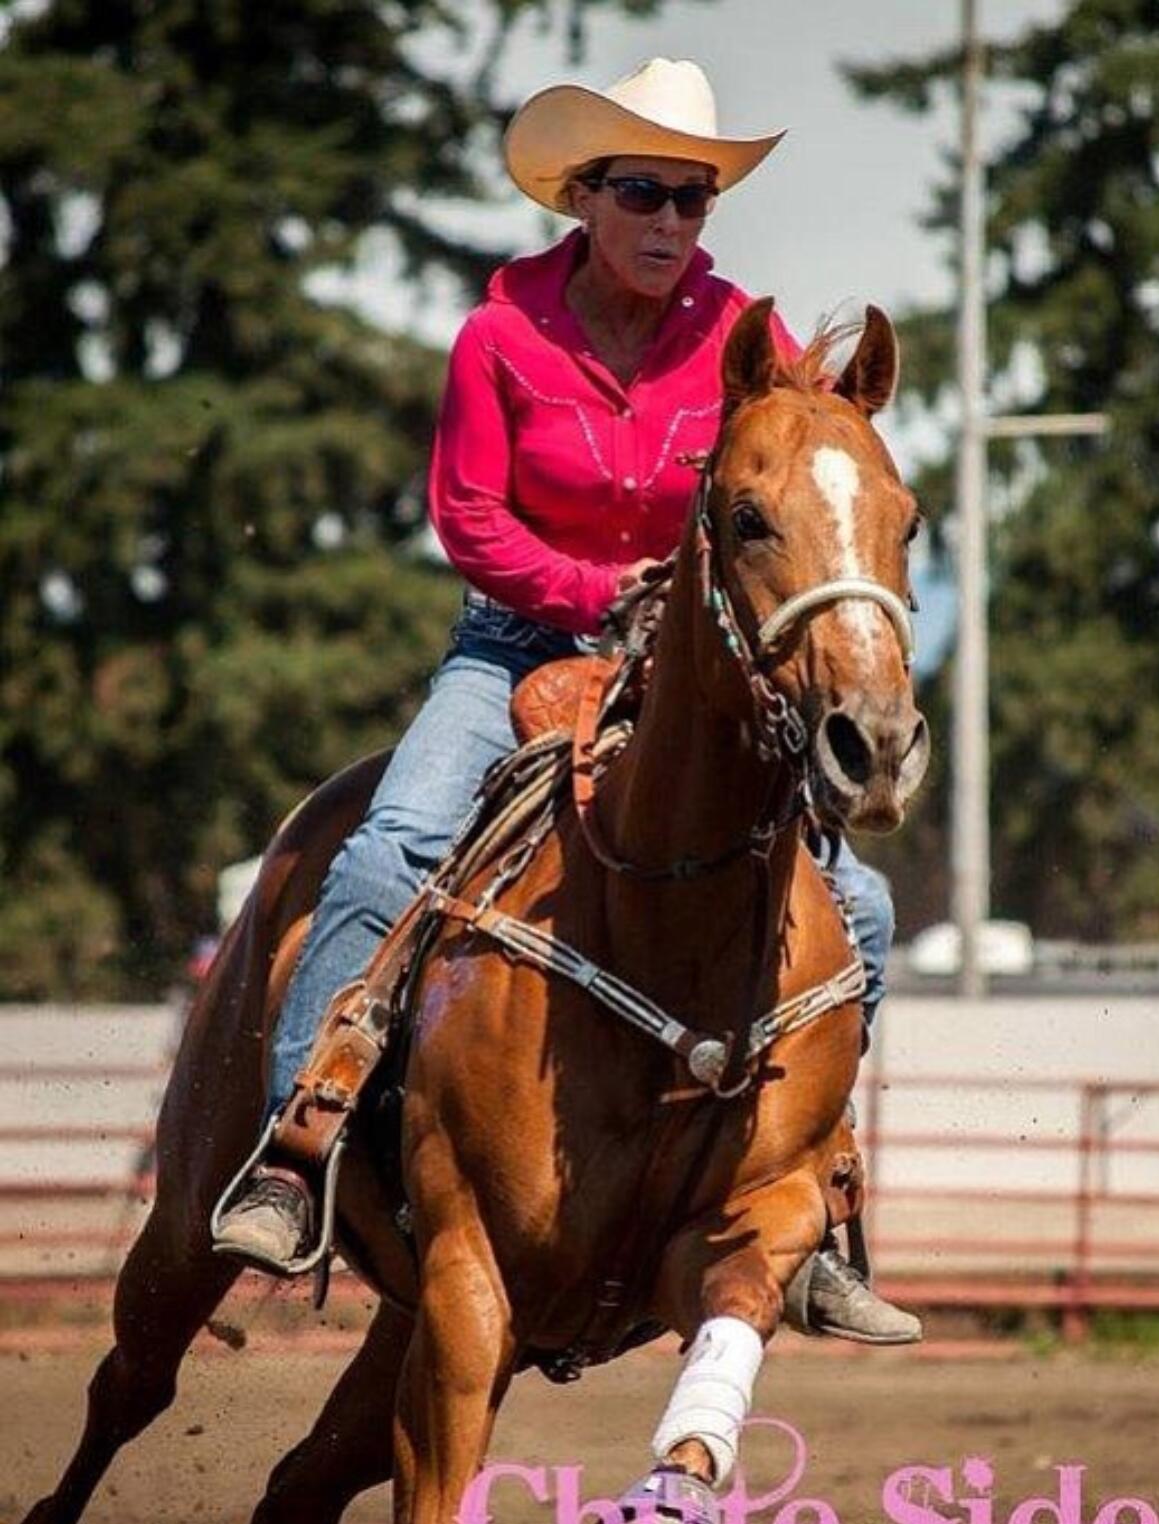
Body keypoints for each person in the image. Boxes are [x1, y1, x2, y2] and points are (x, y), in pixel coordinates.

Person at [213, 58, 918, 1344]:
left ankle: (820, 1197)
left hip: (686, 663)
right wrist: (595, 587)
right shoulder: (500, 336)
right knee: (393, 848)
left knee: (857, 905)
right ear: (582, 197)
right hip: (512, 642)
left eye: (691, 199)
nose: (668, 222)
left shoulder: (734, 342)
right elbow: (467, 516)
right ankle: (293, 1143)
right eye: (642, 192)